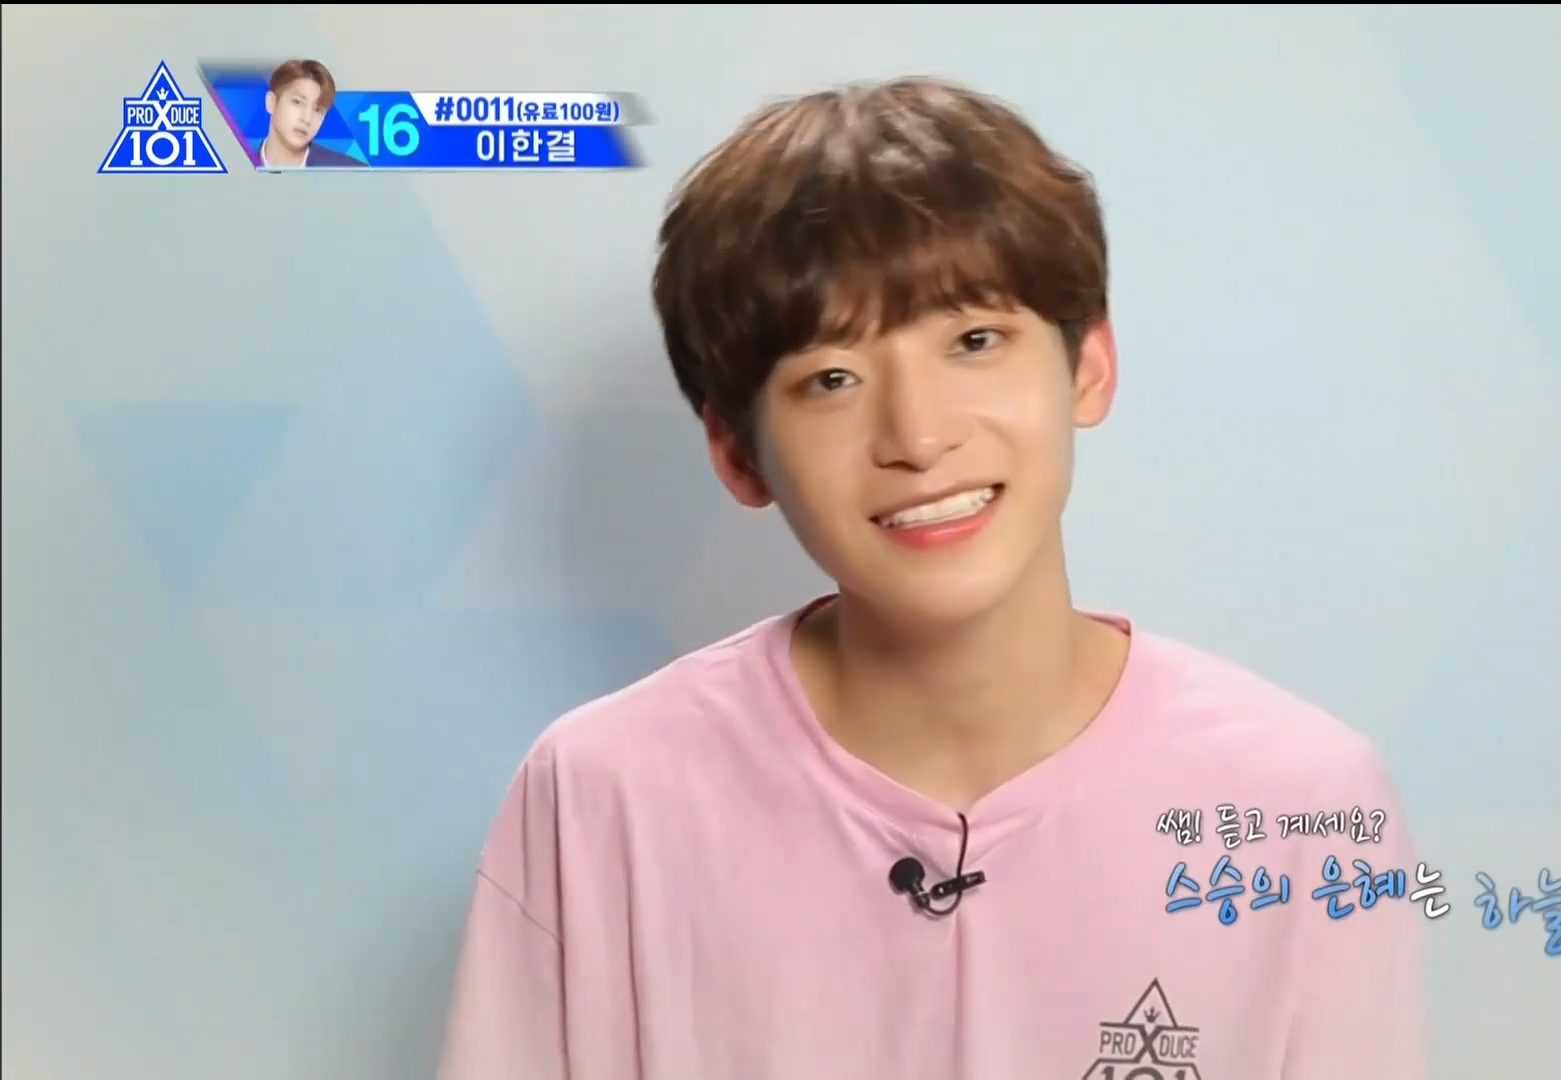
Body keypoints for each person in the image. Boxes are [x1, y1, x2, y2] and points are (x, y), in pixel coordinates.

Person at [436, 75, 1428, 1080]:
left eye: (974, 341)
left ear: (1088, 365)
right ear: (737, 454)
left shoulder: (1302, 807)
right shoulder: (601, 797)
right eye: (831, 379)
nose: (917, 436)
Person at [258, 59, 365, 169]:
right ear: (271, 102)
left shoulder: (351, 171)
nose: (307, 119)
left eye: (318, 110)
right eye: (297, 102)